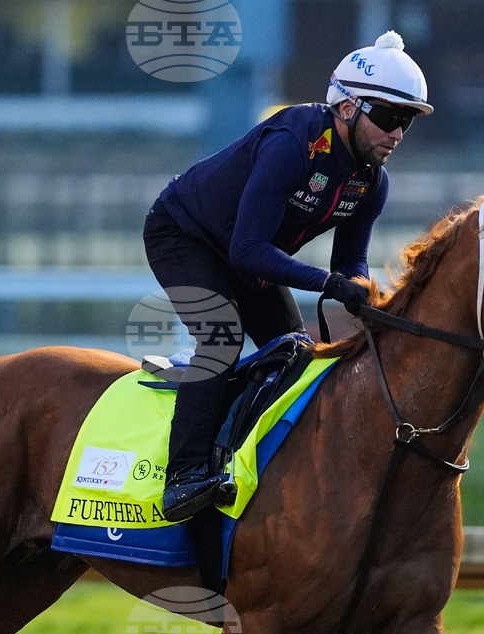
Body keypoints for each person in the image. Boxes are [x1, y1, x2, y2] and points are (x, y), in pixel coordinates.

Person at [143, 30, 433, 522]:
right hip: (184, 235)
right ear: (348, 108)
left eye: (406, 121)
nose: (397, 133)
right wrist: (328, 284)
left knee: (295, 355)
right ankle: (183, 475)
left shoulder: (372, 182)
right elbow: (249, 250)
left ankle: (244, 457)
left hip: (246, 253)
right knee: (221, 338)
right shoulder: (291, 145)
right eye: (388, 117)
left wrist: (361, 292)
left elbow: (350, 264)